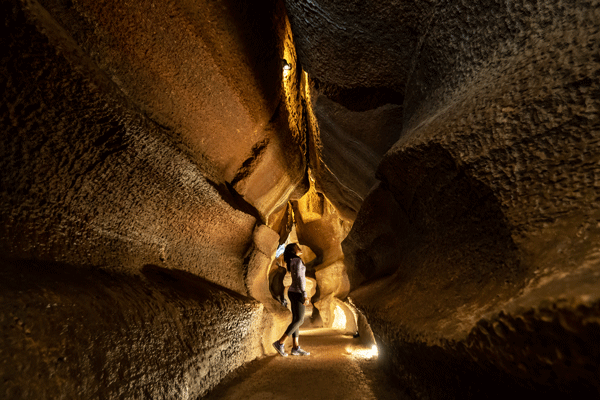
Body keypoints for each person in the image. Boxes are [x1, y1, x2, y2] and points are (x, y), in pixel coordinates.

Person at [272, 243, 310, 356]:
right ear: (293, 250)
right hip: (298, 292)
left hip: (292, 292)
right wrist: (304, 294)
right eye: (297, 246)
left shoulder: (291, 261)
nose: (299, 248)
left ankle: (295, 347)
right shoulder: (297, 261)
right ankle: (280, 342)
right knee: (300, 320)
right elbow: (300, 278)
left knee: (296, 319)